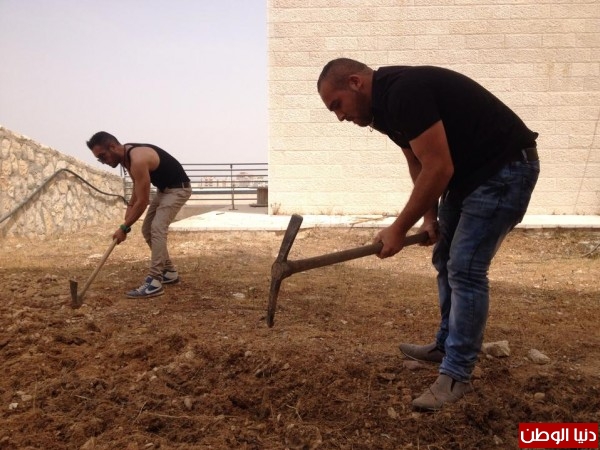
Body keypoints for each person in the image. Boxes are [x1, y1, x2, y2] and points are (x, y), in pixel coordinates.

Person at [317, 58, 539, 411]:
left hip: (505, 170)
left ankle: (456, 374)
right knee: (445, 258)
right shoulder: (382, 110)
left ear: (355, 83)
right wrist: (429, 216)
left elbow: (438, 166)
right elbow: (418, 161)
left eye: (337, 105)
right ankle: (446, 344)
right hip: (469, 177)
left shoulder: (404, 92)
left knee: (465, 268)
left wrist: (398, 228)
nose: (340, 116)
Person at [86, 131, 192, 299]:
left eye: (102, 156)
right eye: (99, 159)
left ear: (112, 147)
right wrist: (130, 206)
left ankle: (155, 281)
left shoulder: (137, 159)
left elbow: (143, 202)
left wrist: (124, 227)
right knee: (147, 229)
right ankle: (169, 272)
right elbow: (137, 183)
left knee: (157, 228)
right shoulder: (126, 157)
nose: (103, 162)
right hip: (164, 191)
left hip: (178, 189)